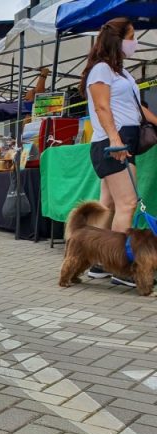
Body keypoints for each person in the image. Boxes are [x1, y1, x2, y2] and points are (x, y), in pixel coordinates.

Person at [81, 17, 157, 287]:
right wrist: (115, 139)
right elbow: (102, 108)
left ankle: (99, 262)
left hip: (123, 139)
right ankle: (121, 268)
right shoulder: (101, 70)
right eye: (132, 36)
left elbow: (137, 107)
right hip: (114, 142)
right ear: (118, 39)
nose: (135, 42)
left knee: (109, 205)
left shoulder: (120, 72)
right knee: (127, 204)